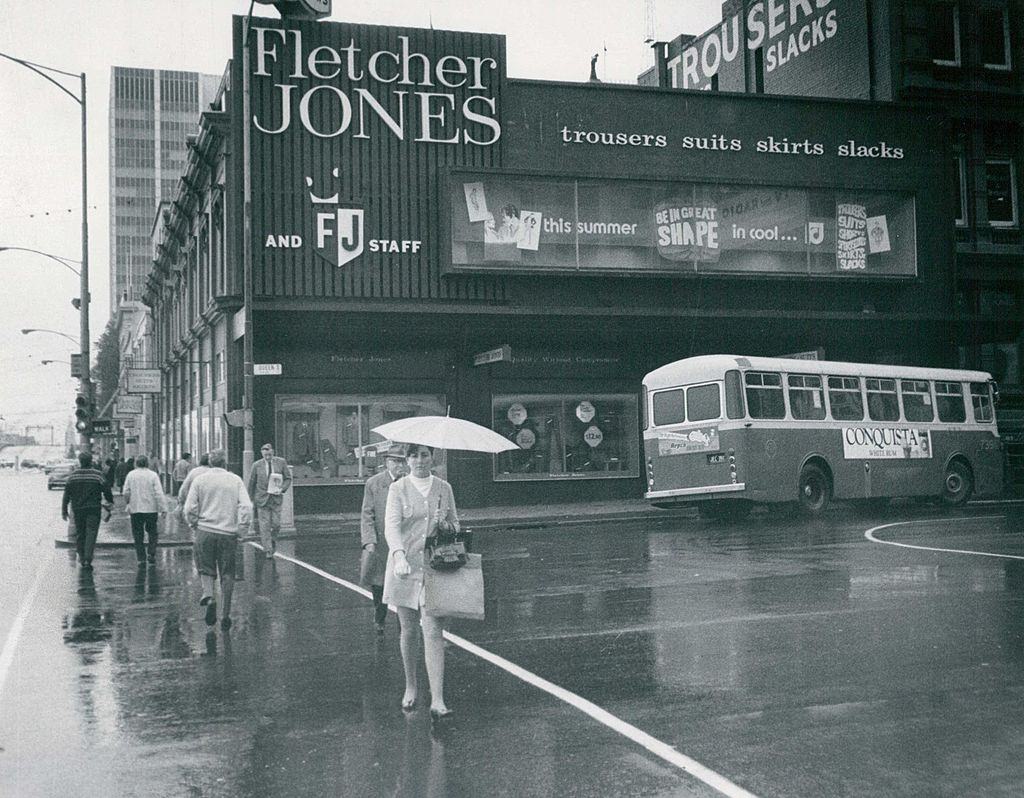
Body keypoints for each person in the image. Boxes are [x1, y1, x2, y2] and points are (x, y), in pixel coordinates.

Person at [383, 444, 460, 720]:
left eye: (424, 455)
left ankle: (437, 699)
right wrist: (398, 555)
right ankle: (411, 685)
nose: (419, 460)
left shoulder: (444, 488)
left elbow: (457, 525)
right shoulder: (398, 488)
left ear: (432, 458)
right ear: (406, 460)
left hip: (434, 567)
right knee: (408, 629)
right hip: (404, 568)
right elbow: (391, 526)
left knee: (432, 629)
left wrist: (446, 524)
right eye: (413, 455)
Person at [183, 449, 252, 630]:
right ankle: (226, 615)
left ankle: (210, 596)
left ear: (210, 463)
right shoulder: (235, 480)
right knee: (228, 573)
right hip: (228, 533)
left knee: (205, 568)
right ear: (225, 463)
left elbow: (189, 507)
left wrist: (194, 523)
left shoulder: (200, 480)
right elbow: (246, 506)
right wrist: (242, 528)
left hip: (205, 531)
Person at [359, 444, 407, 635]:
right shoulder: (374, 483)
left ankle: (404, 624)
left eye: (401, 461)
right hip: (381, 542)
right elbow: (367, 513)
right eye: (395, 461)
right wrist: (369, 540)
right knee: (379, 584)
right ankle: (380, 616)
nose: (399, 466)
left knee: (404, 581)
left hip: (404, 541)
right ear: (386, 462)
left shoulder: (409, 483)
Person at [61, 451, 114, 569]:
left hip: (78, 509)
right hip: (93, 509)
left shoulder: (73, 476)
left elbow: (66, 494)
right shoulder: (97, 475)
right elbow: (107, 489)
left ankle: (81, 556)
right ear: (91, 461)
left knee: (80, 533)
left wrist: (64, 510)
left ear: (80, 461)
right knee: (91, 532)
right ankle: (88, 559)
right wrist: (110, 502)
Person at [247, 442, 292, 559]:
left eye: (269, 455)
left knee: (276, 524)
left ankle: (272, 540)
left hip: (276, 498)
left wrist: (282, 488)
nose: (267, 457)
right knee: (264, 525)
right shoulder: (256, 465)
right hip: (262, 499)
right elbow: (251, 482)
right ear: (262, 454)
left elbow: (288, 478)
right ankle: (268, 549)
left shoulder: (281, 462)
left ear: (273, 453)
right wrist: (249, 499)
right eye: (265, 455)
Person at [122, 455, 169, 565]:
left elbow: (126, 492)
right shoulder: (153, 475)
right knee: (152, 532)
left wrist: (128, 502)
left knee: (138, 534)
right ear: (147, 463)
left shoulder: (131, 475)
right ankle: (151, 553)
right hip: (151, 509)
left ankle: (141, 558)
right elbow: (158, 493)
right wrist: (163, 508)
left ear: (136, 463)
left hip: (136, 508)